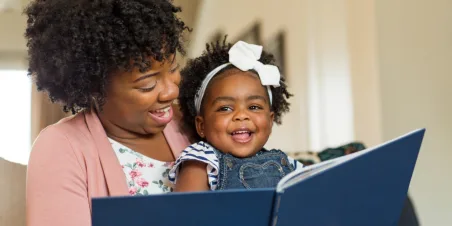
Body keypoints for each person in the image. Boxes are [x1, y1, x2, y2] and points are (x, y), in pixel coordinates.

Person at [24, 0, 190, 225]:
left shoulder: (193, 123)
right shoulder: (61, 147)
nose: (171, 91)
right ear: (95, 86)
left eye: (172, 68)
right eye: (147, 85)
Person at [168, 39, 302, 192]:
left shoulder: (287, 164)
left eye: (253, 107)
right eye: (225, 108)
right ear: (201, 126)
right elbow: (186, 211)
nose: (241, 115)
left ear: (270, 121)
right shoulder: (202, 159)